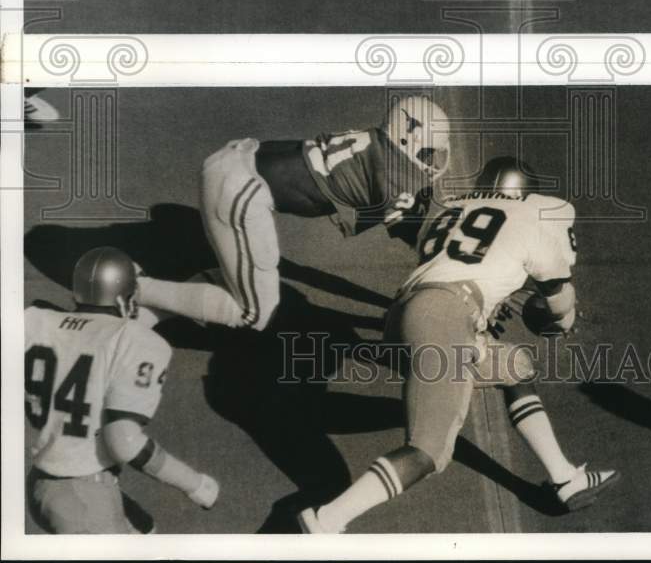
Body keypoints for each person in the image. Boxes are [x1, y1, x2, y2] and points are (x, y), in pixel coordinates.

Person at [298, 156, 618, 533]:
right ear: (522, 195)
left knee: (515, 367)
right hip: (446, 315)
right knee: (428, 451)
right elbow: (558, 301)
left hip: (405, 315)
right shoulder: (530, 220)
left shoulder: (451, 209)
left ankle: (565, 479)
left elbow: (461, 261)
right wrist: (560, 321)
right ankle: (327, 521)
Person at [135, 94, 450, 333]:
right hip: (241, 190)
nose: (432, 160)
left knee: (247, 276)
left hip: (239, 159)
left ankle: (146, 313)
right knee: (255, 313)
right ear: (410, 140)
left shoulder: (373, 141)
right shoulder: (396, 178)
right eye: (429, 152)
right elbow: (421, 243)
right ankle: (135, 287)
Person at [24, 247, 219, 534]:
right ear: (121, 299)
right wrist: (194, 483)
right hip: (84, 495)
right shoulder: (136, 341)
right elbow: (124, 441)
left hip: (42, 481)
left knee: (144, 531)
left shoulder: (36, 321)